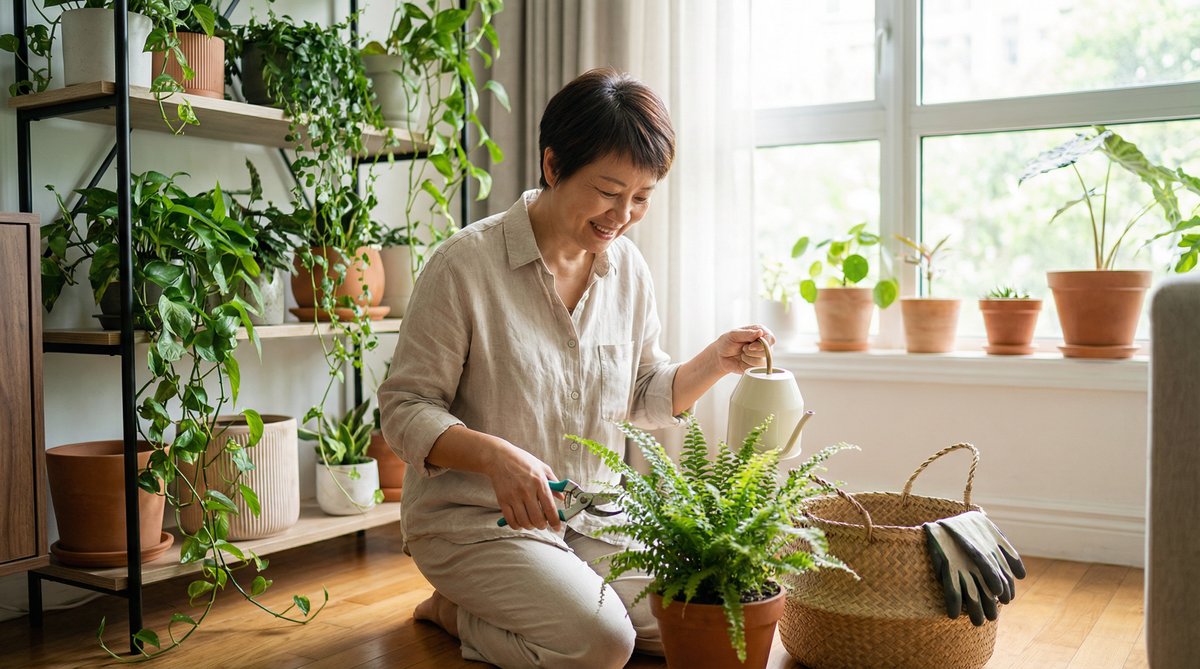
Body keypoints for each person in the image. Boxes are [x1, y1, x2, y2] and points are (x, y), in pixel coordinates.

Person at [377, 67, 774, 669]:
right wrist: (495, 457)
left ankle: (527, 607)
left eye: (642, 198)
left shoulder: (628, 271)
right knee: (605, 645)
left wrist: (714, 362)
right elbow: (404, 410)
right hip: (478, 523)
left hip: (592, 522)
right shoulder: (463, 266)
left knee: (702, 614)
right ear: (554, 165)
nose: (623, 214)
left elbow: (642, 393)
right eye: (609, 192)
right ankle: (456, 612)